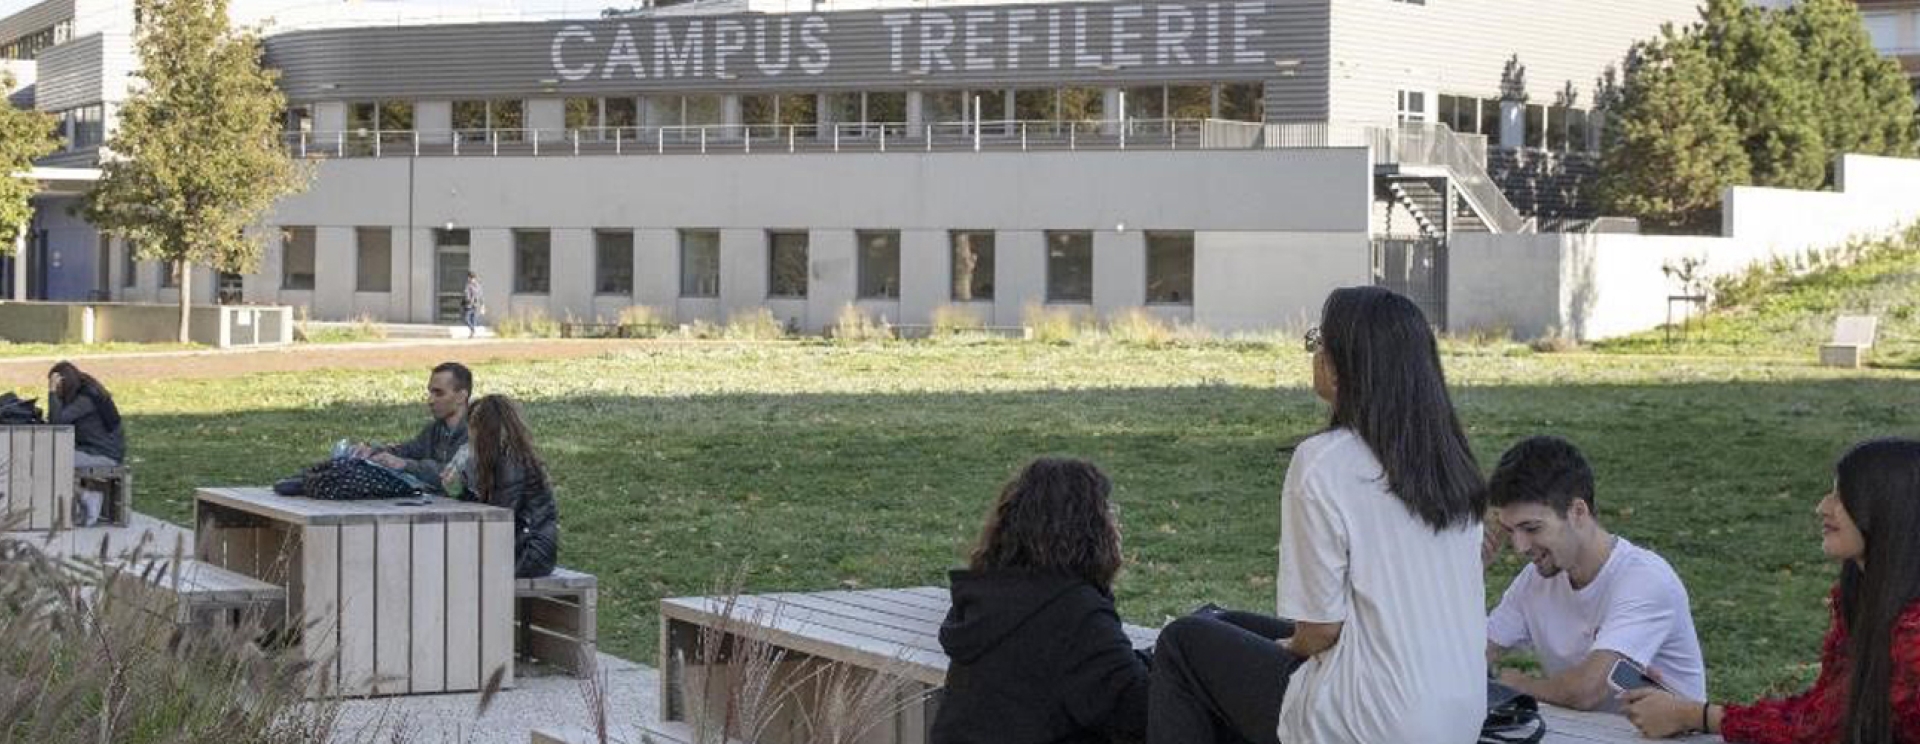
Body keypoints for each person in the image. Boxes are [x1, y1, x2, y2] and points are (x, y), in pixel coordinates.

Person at [1148, 286, 1489, 744]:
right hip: (1458, 715)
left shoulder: (1324, 462)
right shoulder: (1451, 464)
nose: (1314, 353)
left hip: (1373, 720)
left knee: (1183, 644)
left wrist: (1287, 648)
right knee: (1222, 626)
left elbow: (1320, 632)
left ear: (1341, 365)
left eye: (1317, 341)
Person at [1623, 438, 1920, 742]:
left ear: (1888, 509)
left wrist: (1692, 715)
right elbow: (1821, 710)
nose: (1822, 507)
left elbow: (1822, 729)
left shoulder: (1913, 637)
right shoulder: (1863, 596)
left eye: (1841, 497)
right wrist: (1686, 711)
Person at [931, 457, 1150, 744]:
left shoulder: (987, 598)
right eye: (1109, 512)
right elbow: (1136, 713)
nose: (1115, 524)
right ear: (1089, 529)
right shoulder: (1073, 611)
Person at [1484, 435, 1707, 711]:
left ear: (1578, 512)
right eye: (1509, 531)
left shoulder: (1645, 581)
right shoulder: (1534, 580)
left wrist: (1520, 687)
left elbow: (1587, 690)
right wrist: (1470, 575)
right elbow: (1472, 655)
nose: (1519, 547)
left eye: (1531, 529)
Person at [454, 394, 557, 579]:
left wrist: (469, 479)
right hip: (518, 547)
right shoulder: (500, 461)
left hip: (529, 554)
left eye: (472, 427)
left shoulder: (511, 463)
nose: (469, 434)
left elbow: (499, 517)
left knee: (457, 570)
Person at [348, 362, 470, 490]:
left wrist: (406, 465)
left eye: (439, 394)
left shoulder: (477, 432)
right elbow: (408, 450)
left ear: (461, 397)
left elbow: (455, 474)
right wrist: (373, 451)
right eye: (430, 393)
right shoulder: (435, 430)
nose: (430, 400)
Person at [49, 361, 124, 526]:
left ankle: (87, 497)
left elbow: (56, 422)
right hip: (91, 450)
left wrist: (52, 393)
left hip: (102, 455)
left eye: (56, 385)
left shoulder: (86, 400)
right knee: (50, 455)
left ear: (63, 382)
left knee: (51, 460)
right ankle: (77, 501)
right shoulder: (86, 393)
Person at [463, 271, 484, 338]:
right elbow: (467, 295)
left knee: (470, 319)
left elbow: (480, 296)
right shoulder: (471, 285)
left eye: (469, 277)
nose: (469, 279)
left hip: (472, 305)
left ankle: (472, 331)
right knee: (469, 319)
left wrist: (482, 305)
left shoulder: (473, 286)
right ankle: (472, 331)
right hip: (472, 305)